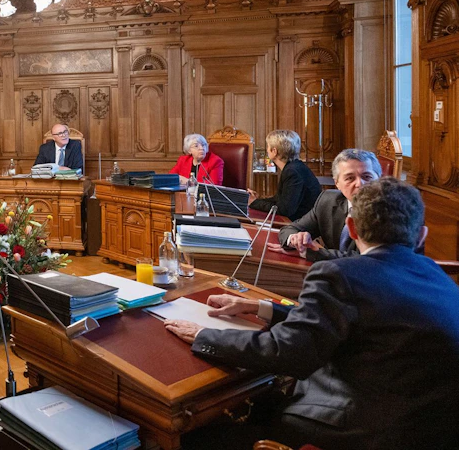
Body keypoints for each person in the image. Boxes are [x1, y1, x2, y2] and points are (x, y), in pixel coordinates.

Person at [165, 178, 459, 450]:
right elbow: (351, 320)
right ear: (421, 235)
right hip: (433, 431)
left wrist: (203, 335)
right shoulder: (439, 277)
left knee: (200, 435)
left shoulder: (339, 274)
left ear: (352, 228)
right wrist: (262, 307)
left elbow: (288, 353)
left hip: (357, 430)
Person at [274, 148, 380, 261]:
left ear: (379, 179)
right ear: (337, 183)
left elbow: (368, 259)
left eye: (367, 177)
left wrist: (311, 253)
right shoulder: (328, 201)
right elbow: (290, 229)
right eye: (350, 178)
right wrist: (296, 240)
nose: (359, 184)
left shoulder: (387, 211)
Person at [248, 130, 320, 221]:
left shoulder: (292, 172)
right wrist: (257, 200)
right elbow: (279, 200)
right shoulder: (294, 167)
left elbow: (285, 209)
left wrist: (254, 203)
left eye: (268, 146)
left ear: (274, 151)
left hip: (300, 224)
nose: (267, 150)